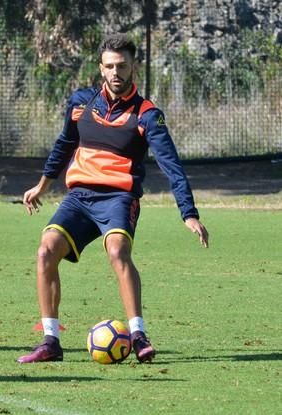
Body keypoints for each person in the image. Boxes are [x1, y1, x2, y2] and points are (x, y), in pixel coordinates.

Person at [16, 33, 209, 364]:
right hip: (79, 198)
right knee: (45, 249)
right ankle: (50, 342)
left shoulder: (147, 115)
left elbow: (171, 165)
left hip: (118, 198)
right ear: (100, 68)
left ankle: (137, 334)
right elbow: (65, 144)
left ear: (134, 66)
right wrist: (42, 186)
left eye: (121, 66)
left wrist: (188, 213)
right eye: (109, 66)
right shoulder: (80, 104)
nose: (115, 73)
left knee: (118, 251)